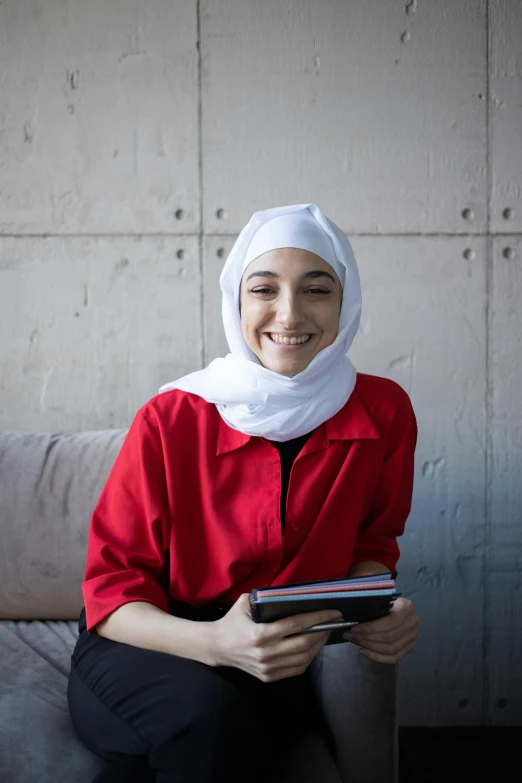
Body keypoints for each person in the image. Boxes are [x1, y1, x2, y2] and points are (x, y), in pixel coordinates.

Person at [67, 203, 419, 783]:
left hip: (270, 658)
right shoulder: (171, 418)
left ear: (345, 302)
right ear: (237, 300)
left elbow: (374, 539)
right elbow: (112, 591)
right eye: (264, 289)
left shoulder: (383, 411)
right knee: (209, 719)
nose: (289, 313)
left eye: (316, 289)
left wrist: (379, 609)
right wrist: (215, 644)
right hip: (143, 645)